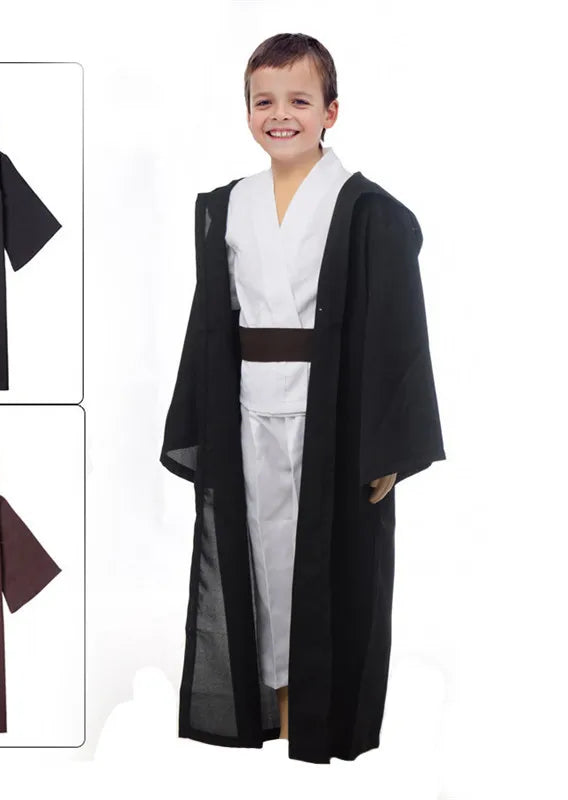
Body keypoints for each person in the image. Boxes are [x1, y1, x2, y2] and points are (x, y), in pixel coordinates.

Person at [160, 33, 445, 763]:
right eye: (264, 102)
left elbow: (398, 332)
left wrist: (388, 446)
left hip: (334, 422)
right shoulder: (228, 207)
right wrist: (201, 421)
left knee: (331, 565)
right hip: (248, 414)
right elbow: (210, 322)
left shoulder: (368, 211)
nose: (280, 115)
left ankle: (322, 724)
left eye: (299, 100)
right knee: (260, 564)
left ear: (331, 112)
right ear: (247, 112)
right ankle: (274, 710)